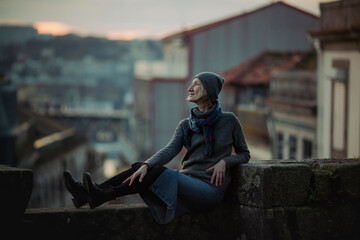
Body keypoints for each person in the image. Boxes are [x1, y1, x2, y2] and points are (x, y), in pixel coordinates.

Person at [63, 72, 250, 224]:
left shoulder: (229, 121)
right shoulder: (186, 125)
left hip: (210, 191)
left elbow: (244, 154)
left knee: (160, 171)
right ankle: (91, 193)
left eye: (196, 84)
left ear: (209, 89)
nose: (190, 88)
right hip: (188, 182)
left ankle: (96, 194)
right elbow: (169, 150)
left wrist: (225, 161)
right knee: (142, 167)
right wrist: (146, 164)